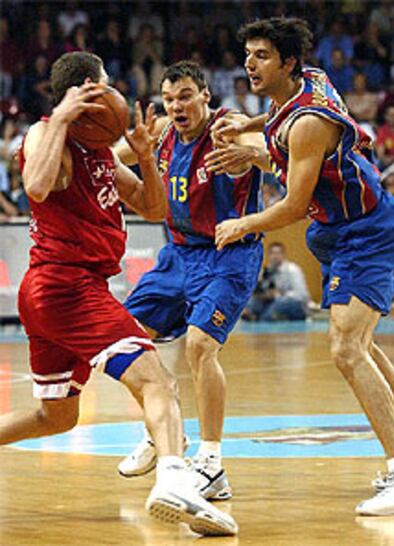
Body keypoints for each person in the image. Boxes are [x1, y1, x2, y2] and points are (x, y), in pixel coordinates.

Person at [0, 51, 237, 537]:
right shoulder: (49, 133)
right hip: (67, 285)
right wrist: (62, 115)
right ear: (89, 90)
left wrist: (147, 156)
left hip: (57, 290)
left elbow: (153, 208)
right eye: (106, 85)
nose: (115, 94)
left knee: (56, 415)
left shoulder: (99, 149)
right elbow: (38, 187)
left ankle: (174, 476)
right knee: (158, 382)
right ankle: (175, 478)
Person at [210, 17, 394, 517]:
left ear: (287, 63)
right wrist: (247, 128)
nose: (249, 64)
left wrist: (244, 224)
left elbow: (294, 203)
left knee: (345, 347)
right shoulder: (312, 80)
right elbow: (280, 124)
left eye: (261, 56)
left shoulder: (308, 124)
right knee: (359, 344)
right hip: (338, 230)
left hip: (364, 229)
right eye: (248, 54)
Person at [115, 60, 267, 500]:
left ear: (205, 96)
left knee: (200, 345)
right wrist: (61, 144)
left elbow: (270, 150)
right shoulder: (160, 133)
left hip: (228, 254)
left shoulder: (229, 126)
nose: (177, 105)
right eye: (169, 98)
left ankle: (213, 463)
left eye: (186, 96)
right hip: (179, 255)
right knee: (124, 342)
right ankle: (167, 429)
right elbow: (106, 158)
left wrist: (255, 153)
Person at [242, 242, 309, 322]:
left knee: (272, 310)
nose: (275, 256)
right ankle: (254, 316)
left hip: (293, 303)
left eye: (278, 253)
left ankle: (261, 318)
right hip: (273, 301)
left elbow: (302, 295)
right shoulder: (267, 271)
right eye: (272, 253)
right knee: (252, 303)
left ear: (283, 255)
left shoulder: (292, 270)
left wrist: (279, 295)